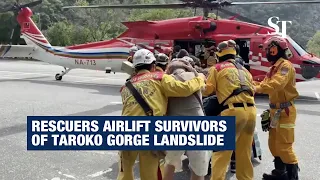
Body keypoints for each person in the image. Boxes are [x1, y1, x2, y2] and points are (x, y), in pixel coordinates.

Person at [118, 49, 206, 180]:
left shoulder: (126, 86)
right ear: (153, 66)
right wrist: (200, 78)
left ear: (135, 67)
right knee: (150, 174)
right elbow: (184, 88)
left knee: (124, 173)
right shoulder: (159, 78)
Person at [203, 39, 256, 180]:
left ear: (219, 54)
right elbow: (253, 90)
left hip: (232, 112)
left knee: (221, 154)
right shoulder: (244, 70)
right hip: (251, 112)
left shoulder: (217, 68)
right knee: (244, 154)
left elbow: (208, 90)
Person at [254, 36, 299, 180]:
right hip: (275, 111)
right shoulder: (274, 68)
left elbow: (276, 84)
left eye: (268, 49)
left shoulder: (285, 66)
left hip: (285, 111)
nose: (266, 52)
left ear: (274, 49)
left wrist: (255, 89)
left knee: (284, 146)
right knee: (273, 144)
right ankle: (280, 173)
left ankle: (293, 177)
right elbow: (265, 82)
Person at [162, 58, 210, 180]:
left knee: (170, 163)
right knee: (198, 168)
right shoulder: (196, 77)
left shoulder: (166, 80)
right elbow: (205, 91)